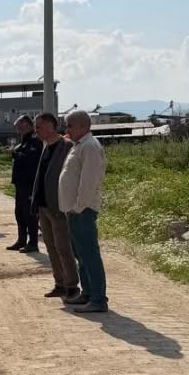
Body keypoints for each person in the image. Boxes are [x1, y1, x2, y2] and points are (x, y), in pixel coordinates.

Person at [59, 109, 108, 313]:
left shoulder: (90, 146)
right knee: (80, 254)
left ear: (83, 126)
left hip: (83, 210)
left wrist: (79, 207)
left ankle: (98, 298)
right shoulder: (79, 145)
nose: (66, 129)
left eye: (69, 125)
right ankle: (87, 293)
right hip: (74, 209)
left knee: (89, 254)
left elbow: (89, 181)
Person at [29, 113, 80, 301]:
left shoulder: (66, 147)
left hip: (58, 207)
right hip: (44, 206)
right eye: (36, 127)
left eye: (39, 126)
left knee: (64, 248)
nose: (37, 130)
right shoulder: (46, 147)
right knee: (51, 247)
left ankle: (72, 285)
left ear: (52, 125)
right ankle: (60, 283)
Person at [6, 115, 42, 252]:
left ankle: (33, 243)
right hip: (20, 184)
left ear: (27, 125)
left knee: (30, 215)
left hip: (29, 184)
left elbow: (31, 161)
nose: (17, 128)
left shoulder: (34, 141)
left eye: (19, 125)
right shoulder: (23, 142)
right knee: (19, 214)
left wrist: (15, 154)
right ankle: (21, 240)